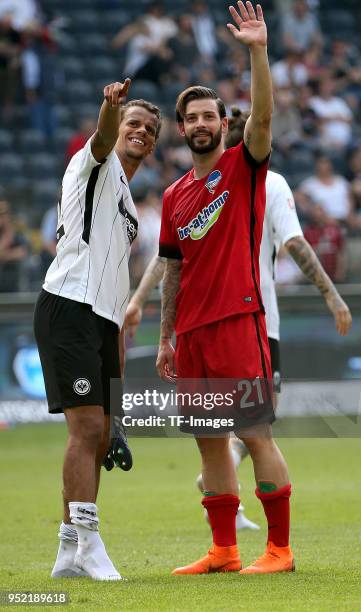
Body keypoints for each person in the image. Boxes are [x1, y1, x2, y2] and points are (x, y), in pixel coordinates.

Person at [125, 108, 352, 532]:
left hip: (248, 317)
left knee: (248, 426)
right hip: (243, 322)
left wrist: (332, 294)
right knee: (245, 426)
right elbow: (174, 258)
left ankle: (264, 532)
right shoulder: (203, 189)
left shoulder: (261, 179)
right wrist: (331, 295)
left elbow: (294, 243)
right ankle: (228, 524)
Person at [156, 1, 292, 576]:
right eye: (193, 117)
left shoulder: (245, 166)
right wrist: (166, 336)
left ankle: (280, 551)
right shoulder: (172, 196)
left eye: (211, 115)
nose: (202, 124)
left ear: (222, 122)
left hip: (238, 321)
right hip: (191, 333)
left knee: (254, 433)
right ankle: (224, 551)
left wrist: (258, 51)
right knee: (209, 443)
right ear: (182, 127)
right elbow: (173, 270)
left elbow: (263, 118)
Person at [34, 79, 161, 581]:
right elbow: (104, 136)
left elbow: (116, 285)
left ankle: (69, 551)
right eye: (135, 124)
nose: (143, 133)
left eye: (151, 130)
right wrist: (110, 108)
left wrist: (121, 413)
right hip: (69, 305)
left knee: (103, 432)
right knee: (85, 430)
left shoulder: (129, 202)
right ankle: (88, 541)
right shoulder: (94, 161)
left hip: (104, 320)